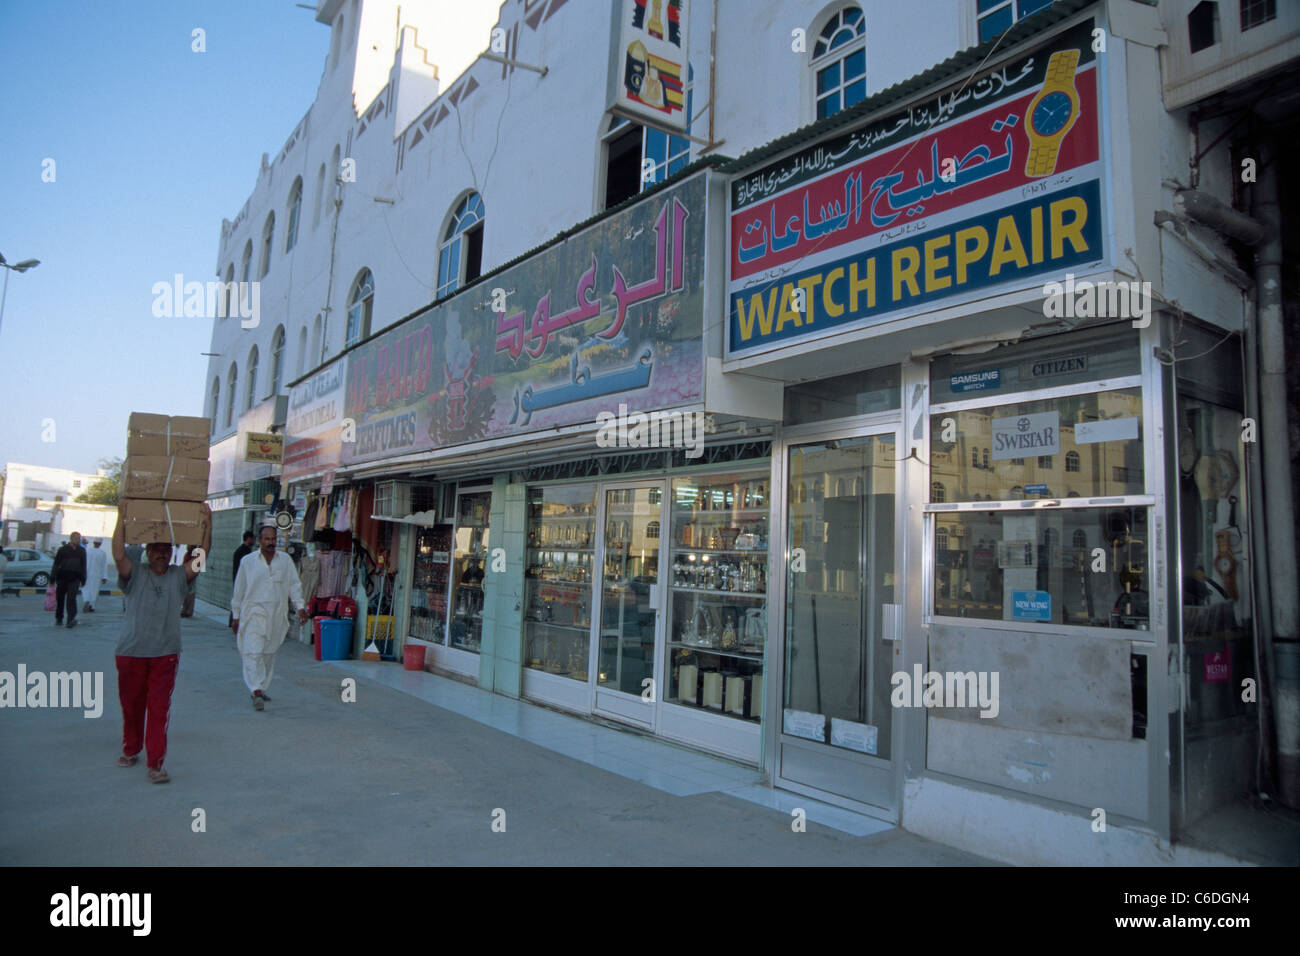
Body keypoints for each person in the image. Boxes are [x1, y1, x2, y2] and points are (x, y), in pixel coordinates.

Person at [111, 501, 212, 784]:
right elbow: (118, 553)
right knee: (131, 706)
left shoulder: (178, 577)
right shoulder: (135, 574)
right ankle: (131, 749)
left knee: (158, 710)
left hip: (165, 654)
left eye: (167, 549)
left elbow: (201, 558)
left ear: (172, 553)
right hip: (131, 652)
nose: (161, 554)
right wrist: (121, 516)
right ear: (147, 552)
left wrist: (208, 524)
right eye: (156, 549)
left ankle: (155, 763)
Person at [231, 525, 307, 710]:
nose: (271, 542)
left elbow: (294, 585)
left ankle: (261, 687)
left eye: (273, 539)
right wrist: (236, 615)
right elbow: (239, 589)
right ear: (259, 541)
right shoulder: (248, 561)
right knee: (252, 652)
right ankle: (255, 690)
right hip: (253, 614)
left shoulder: (285, 561)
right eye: (267, 539)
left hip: (276, 616)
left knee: (268, 653)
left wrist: (300, 607)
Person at [51, 532, 87, 628]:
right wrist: (52, 578)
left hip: (75, 578)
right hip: (62, 577)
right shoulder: (63, 550)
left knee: (71, 598)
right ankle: (59, 618)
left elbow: (83, 565)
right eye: (76, 538)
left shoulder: (81, 551)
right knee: (60, 598)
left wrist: (83, 578)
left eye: (79, 538)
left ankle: (71, 619)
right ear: (71, 539)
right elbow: (56, 564)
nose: (78, 540)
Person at [229, 531, 255, 629]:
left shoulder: (241, 550)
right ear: (248, 538)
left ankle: (233, 620)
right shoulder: (245, 552)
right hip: (242, 580)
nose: (253, 541)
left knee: (237, 599)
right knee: (240, 600)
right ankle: (235, 620)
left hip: (238, 579)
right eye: (252, 538)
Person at [81, 539, 109, 612]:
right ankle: (91, 605)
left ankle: (86, 600)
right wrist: (104, 577)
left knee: (86, 589)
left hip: (86, 573)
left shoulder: (87, 551)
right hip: (97, 575)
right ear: (100, 544)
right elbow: (104, 566)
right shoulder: (102, 553)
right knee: (94, 590)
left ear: (93, 543)